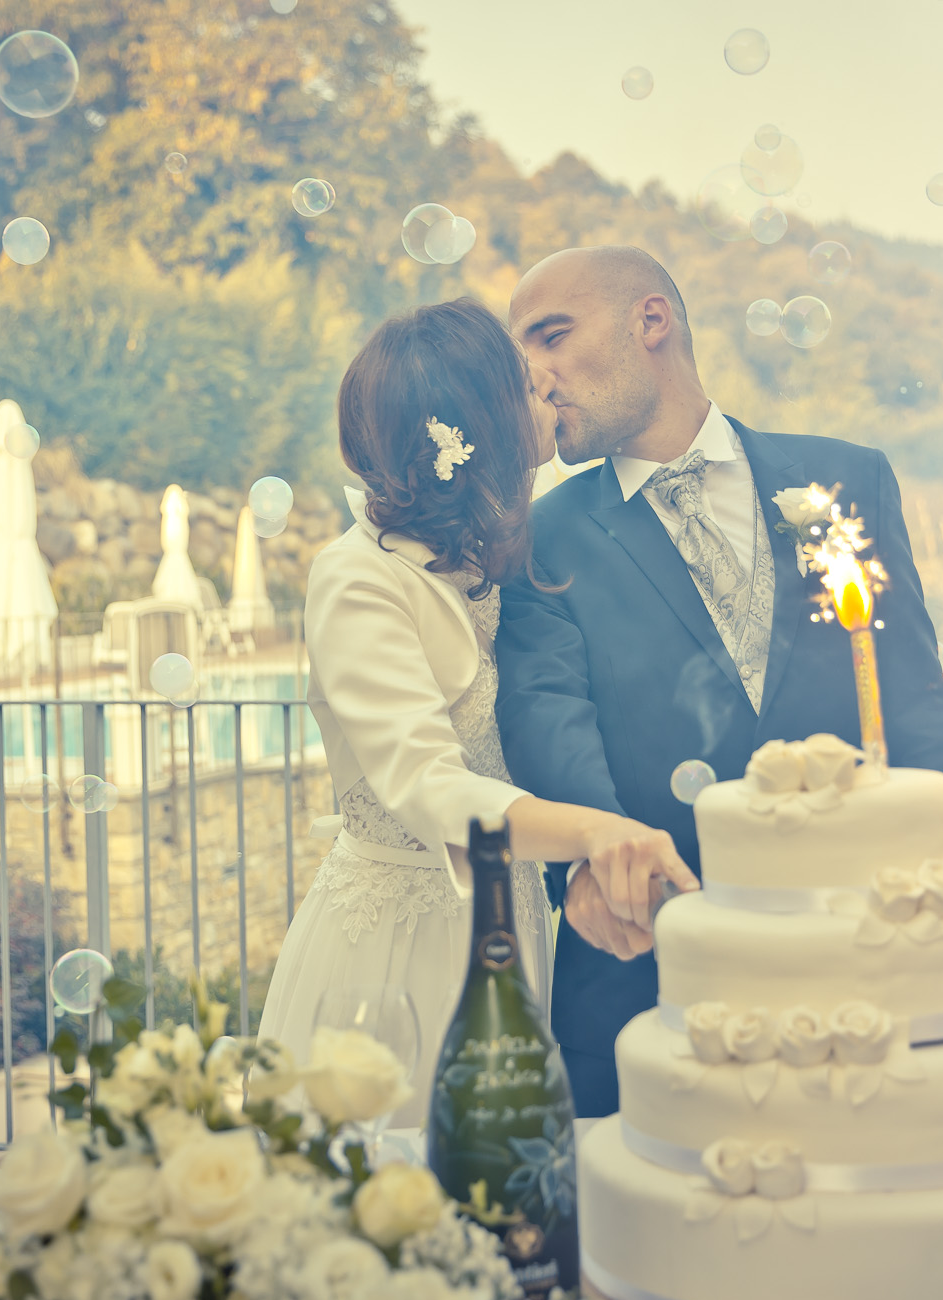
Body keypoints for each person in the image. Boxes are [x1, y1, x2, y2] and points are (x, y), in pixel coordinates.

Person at [495, 246, 943, 1118]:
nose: (533, 375)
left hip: (863, 950)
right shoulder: (540, 536)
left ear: (652, 321)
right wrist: (601, 863)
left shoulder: (846, 480)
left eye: (552, 335)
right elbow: (546, 716)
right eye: (520, 352)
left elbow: (911, 698)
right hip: (656, 968)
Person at [258, 296, 698, 1127]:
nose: (551, 394)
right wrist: (596, 833)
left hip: (506, 929)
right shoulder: (359, 578)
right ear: (480, 427)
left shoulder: (497, 561)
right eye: (528, 390)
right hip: (397, 956)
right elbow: (425, 783)